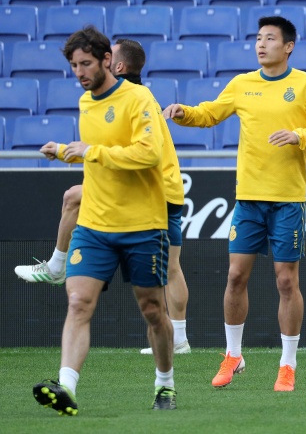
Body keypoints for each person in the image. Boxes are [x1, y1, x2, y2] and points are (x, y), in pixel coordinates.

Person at [163, 16, 306, 392]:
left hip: (288, 200)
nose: (261, 44)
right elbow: (210, 113)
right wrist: (184, 112)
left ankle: (287, 364)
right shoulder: (242, 84)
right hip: (248, 200)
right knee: (235, 277)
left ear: (288, 46)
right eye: (258, 38)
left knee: (286, 281)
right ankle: (233, 355)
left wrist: (298, 135)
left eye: (270, 39)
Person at [15, 39, 193, 356]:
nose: (99, 61)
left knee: (73, 197)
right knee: (172, 268)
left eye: (107, 56)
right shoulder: (131, 97)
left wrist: (75, 151)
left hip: (150, 189)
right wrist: (64, 151)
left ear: (116, 65)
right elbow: (103, 148)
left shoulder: (130, 98)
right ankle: (178, 337)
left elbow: (123, 152)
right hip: (169, 187)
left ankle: (57, 266)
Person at [34, 27, 176, 414]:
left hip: (142, 224)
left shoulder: (138, 98)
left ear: (107, 61)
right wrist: (65, 150)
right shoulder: (85, 102)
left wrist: (89, 151)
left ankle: (165, 383)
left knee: (153, 310)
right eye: (74, 65)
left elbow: (148, 154)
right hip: (95, 224)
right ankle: (65, 388)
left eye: (86, 63)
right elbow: (96, 156)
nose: (79, 72)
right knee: (79, 302)